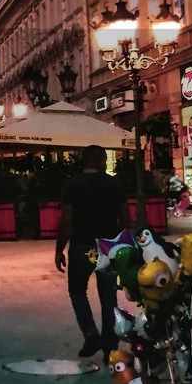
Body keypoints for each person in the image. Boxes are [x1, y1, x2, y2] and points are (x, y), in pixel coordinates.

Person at [55, 145, 129, 358]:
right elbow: (126, 220)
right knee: (108, 298)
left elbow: (66, 222)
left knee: (77, 291)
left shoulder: (72, 185)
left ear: (83, 161)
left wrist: (59, 250)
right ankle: (111, 347)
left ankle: (90, 333)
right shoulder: (114, 184)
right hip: (108, 248)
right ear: (103, 160)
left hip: (81, 247)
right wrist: (125, 248)